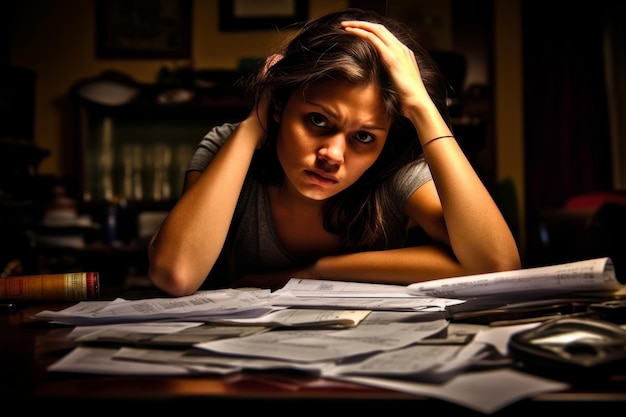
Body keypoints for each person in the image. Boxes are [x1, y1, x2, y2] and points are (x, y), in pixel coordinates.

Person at [148, 8, 521, 297]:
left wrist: (317, 271)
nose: (333, 154)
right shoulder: (229, 148)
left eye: (363, 137)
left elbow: (497, 266)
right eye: (316, 120)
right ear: (279, 106)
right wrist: (253, 125)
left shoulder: (393, 170)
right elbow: (175, 273)